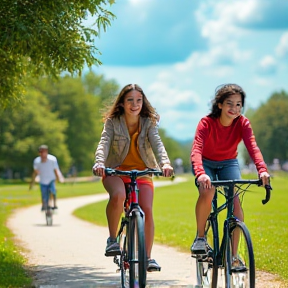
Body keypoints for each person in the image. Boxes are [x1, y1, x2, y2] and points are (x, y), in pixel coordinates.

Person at [92, 84, 174, 272]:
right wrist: (99, 163)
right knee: (118, 196)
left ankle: (147, 257)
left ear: (143, 103)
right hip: (115, 172)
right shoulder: (113, 122)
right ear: (122, 103)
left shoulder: (148, 122)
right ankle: (113, 240)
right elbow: (104, 143)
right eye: (130, 100)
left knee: (146, 210)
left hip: (142, 172)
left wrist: (165, 164)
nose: (135, 104)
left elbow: (157, 144)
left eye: (139, 100)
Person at [190, 84, 270, 261]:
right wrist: (201, 173)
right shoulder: (206, 123)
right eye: (229, 103)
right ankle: (201, 238)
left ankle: (234, 255)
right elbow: (196, 150)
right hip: (205, 162)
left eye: (238, 104)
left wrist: (262, 170)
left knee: (235, 201)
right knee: (208, 191)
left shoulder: (243, 123)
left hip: (228, 162)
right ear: (219, 104)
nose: (234, 108)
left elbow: (253, 148)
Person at [30, 145, 63, 210]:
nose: (42, 154)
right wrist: (32, 182)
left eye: (44, 152)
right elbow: (35, 172)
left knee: (53, 191)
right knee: (44, 194)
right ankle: (44, 205)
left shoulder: (52, 159)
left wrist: (58, 178)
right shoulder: (37, 161)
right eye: (41, 152)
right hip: (43, 180)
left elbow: (55, 169)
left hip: (51, 179)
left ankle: (55, 205)